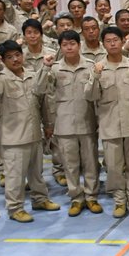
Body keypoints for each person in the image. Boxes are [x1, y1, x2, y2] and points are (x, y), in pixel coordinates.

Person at [0, 40, 58, 222]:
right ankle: (15, 208)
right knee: (15, 176)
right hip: (14, 137)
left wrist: (48, 125)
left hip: (34, 133)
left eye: (17, 55)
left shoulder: (32, 75)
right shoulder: (1, 79)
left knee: (36, 172)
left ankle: (40, 199)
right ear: (3, 60)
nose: (15, 59)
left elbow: (42, 95)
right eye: (9, 57)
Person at [87, 26, 129, 218]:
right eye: (108, 41)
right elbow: (90, 96)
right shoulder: (98, 68)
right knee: (114, 166)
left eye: (116, 39)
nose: (113, 43)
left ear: (122, 41)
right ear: (103, 44)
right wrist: (96, 76)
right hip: (109, 126)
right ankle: (119, 201)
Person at [49, 30, 103, 217]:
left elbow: (96, 95)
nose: (69, 47)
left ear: (79, 45)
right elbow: (42, 91)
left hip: (87, 121)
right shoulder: (55, 68)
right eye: (65, 44)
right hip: (64, 124)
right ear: (60, 47)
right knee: (70, 165)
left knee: (90, 162)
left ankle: (91, 196)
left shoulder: (90, 66)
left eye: (72, 43)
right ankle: (76, 198)